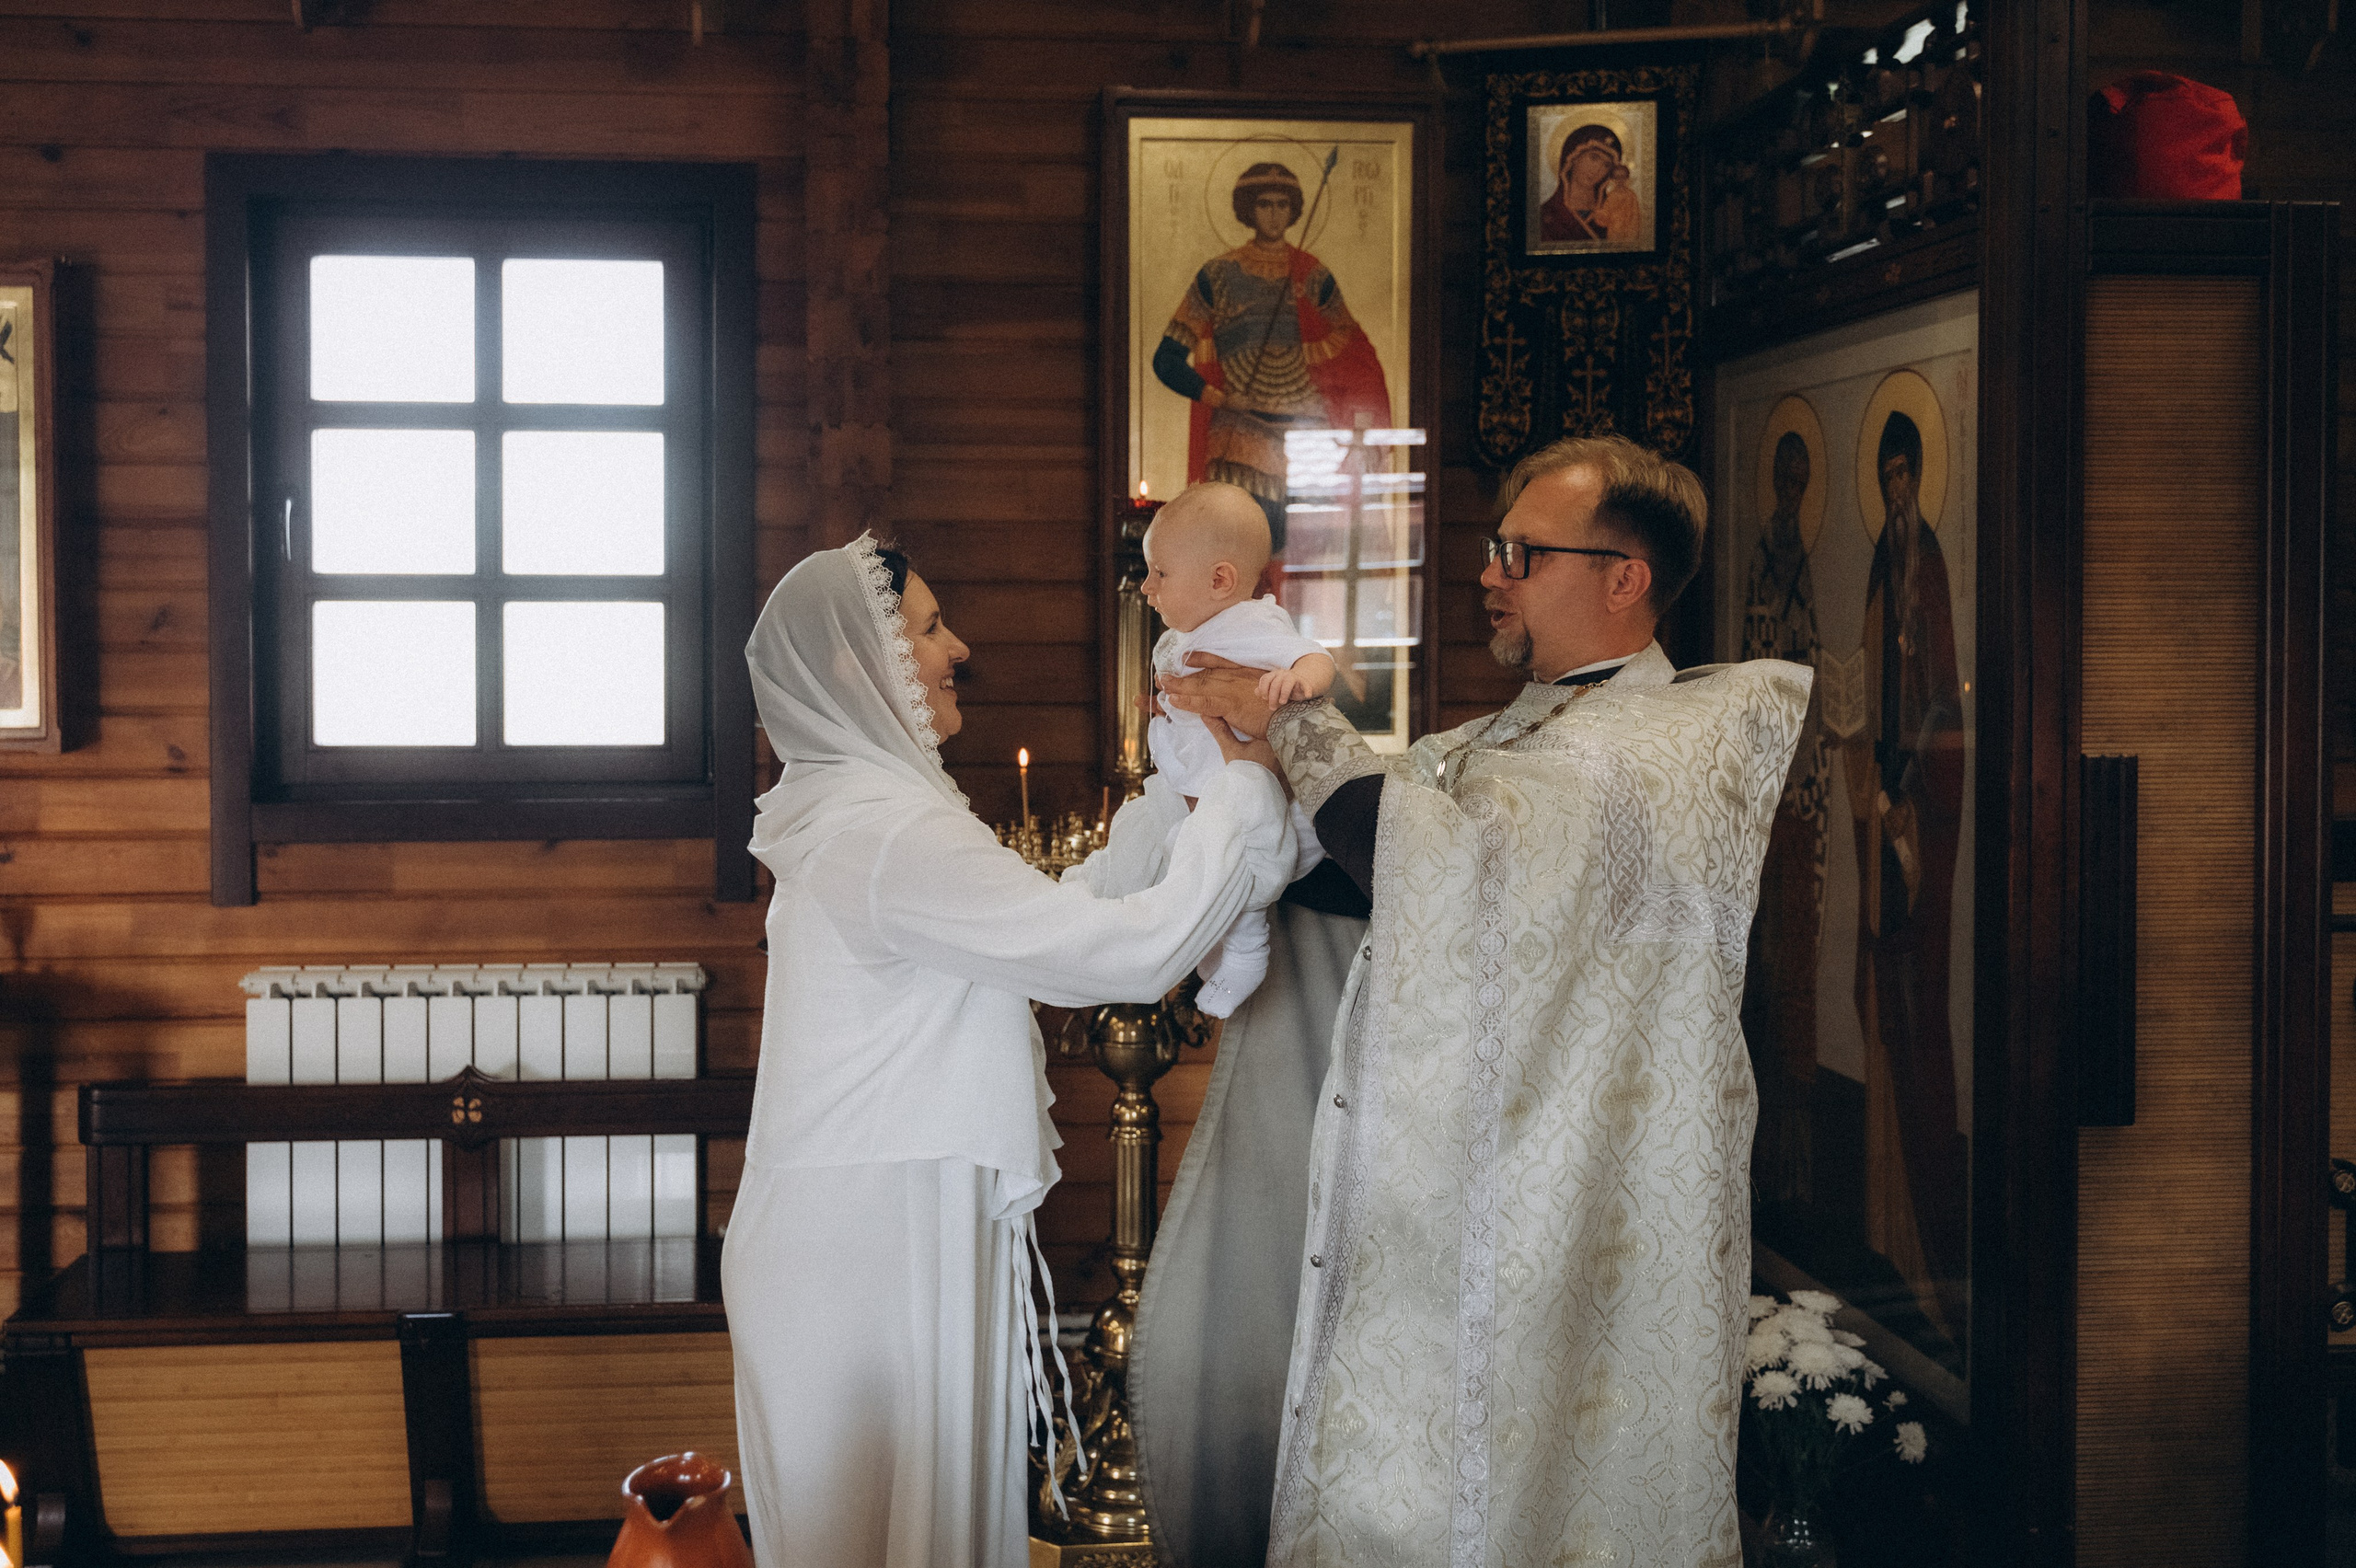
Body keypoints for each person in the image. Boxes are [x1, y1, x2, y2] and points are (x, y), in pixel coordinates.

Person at [1161, 434, 1809, 1566]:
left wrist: (1283, 714)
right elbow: (1372, 879)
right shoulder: (1518, 732)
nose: (1489, 572)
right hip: (1483, 1194)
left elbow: (1422, 857)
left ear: (1624, 578)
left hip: (1571, 1213)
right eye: (1493, 546)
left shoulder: (1658, 748)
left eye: (1521, 551)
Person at [723, 533, 1297, 1568]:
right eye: (931, 628)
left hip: (882, 1211)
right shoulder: (890, 833)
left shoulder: (872, 816)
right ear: (864, 665)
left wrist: (1171, 811)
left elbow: (1039, 925)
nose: (959, 648)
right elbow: (1118, 955)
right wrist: (1249, 791)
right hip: (866, 1241)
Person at [1842, 410, 1966, 1342]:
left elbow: (1941, 696)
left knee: (1914, 995)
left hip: (1918, 796)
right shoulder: (1887, 566)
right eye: (1880, 480)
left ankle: (1924, 1222)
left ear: (1919, 478)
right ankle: (1882, 1223)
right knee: (1876, 989)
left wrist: (1904, 772)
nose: (1891, 493)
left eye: (1900, 478)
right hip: (1880, 790)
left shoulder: (1929, 569)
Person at [1141, 480, 1334, 1017]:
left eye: (1159, 573)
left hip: (1259, 800)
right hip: (1213, 784)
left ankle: (1248, 952)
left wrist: (1299, 683)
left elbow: (1315, 657)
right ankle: (1212, 942)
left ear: (1220, 579)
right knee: (1183, 849)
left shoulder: (1253, 625)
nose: (1146, 587)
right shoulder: (1191, 632)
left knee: (1233, 862)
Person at [1149, 160, 1392, 552]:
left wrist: (1310, 355)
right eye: (1265, 204)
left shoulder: (1312, 275)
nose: (1275, 213)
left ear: (1295, 210)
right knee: (1241, 555)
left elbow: (1350, 344)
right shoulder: (1217, 276)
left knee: (1307, 560)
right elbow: (1167, 360)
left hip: (1307, 441)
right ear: (1248, 209)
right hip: (1239, 434)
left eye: (1283, 204)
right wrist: (1221, 398)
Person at [1743, 430, 1831, 1210]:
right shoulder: (1769, 557)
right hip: (1775, 789)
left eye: (1806, 476)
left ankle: (1800, 1166)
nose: (1796, 486)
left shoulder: (1803, 558)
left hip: (1808, 788)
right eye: (1787, 473)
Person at [1539, 123, 1643, 246]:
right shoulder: (1545, 214)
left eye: (1606, 165)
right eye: (1594, 158)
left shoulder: (1617, 207)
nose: (1597, 169)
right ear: (1573, 156)